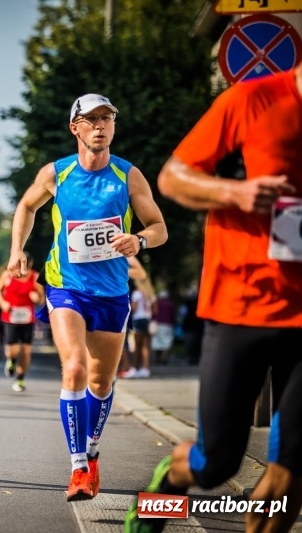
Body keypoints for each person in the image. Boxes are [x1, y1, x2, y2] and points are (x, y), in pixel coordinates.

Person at [124, 64, 302, 533]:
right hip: (241, 302)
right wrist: (235, 191)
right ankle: (162, 494)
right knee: (215, 463)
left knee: (292, 466)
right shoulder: (252, 100)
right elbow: (174, 178)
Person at [7, 93, 167, 501]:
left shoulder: (128, 175)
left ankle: (92, 451)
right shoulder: (56, 173)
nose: (100, 126)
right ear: (74, 128)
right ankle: (78, 466)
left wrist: (139, 240)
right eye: (91, 119)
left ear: (113, 126)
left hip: (112, 293)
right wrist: (16, 250)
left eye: (106, 119)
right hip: (66, 286)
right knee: (75, 367)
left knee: (101, 380)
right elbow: (26, 207)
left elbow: (159, 227)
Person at [0, 251, 44, 392]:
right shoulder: (6, 275)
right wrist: (3, 303)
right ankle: (11, 361)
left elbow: (41, 298)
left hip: (27, 319)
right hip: (10, 317)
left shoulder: (34, 277)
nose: (24, 269)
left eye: (27, 266)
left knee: (26, 351)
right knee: (13, 350)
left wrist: (37, 298)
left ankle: (20, 378)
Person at [150, 289, 175, 366]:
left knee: (157, 342)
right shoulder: (170, 304)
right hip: (168, 325)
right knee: (167, 342)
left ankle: (158, 358)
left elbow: (153, 313)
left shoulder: (156, 303)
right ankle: (164, 358)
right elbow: (173, 315)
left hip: (157, 324)